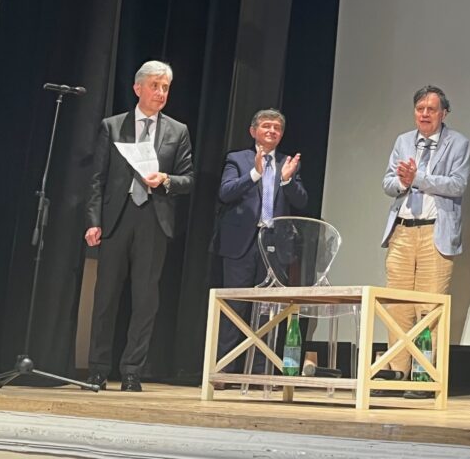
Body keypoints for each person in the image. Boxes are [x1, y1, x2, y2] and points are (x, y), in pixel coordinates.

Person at [84, 61, 194, 392]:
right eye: (155, 86)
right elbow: (97, 179)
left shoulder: (178, 131)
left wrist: (166, 179)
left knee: (146, 300)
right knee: (106, 297)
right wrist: (93, 222)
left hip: (154, 219)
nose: (161, 93)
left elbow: (188, 179)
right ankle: (97, 369)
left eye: (166, 87)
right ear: (138, 88)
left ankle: (132, 370)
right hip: (117, 218)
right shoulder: (113, 126)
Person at [379, 85, 470, 398]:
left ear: (444, 113)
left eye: (431, 109)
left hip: (435, 232)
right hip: (402, 231)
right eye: (420, 108)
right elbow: (388, 182)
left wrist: (417, 179)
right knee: (397, 305)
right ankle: (397, 371)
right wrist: (402, 181)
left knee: (429, 307)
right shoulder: (403, 141)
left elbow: (457, 185)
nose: (425, 114)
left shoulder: (458, 143)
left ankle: (423, 374)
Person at [212, 109, 308, 374]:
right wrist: (254, 174)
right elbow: (225, 192)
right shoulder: (237, 159)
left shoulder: (288, 162)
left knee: (268, 312)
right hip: (241, 245)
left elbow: (301, 201)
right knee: (234, 309)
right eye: (266, 126)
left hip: (274, 247)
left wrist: (287, 180)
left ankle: (260, 372)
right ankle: (224, 371)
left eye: (277, 128)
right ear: (253, 131)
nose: (272, 131)